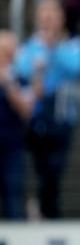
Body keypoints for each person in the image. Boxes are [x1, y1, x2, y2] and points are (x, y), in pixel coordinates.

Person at [15, 0, 80, 219]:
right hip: (37, 117)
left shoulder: (72, 43)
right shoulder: (30, 46)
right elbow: (23, 70)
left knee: (56, 169)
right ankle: (42, 209)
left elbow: (77, 67)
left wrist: (54, 47)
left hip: (62, 116)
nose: (47, 18)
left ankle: (48, 211)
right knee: (41, 169)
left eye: (52, 12)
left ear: (61, 17)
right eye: (43, 13)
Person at [0, 29, 33, 220]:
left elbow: (27, 110)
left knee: (14, 198)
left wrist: (8, 83)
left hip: (12, 149)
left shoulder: (18, 80)